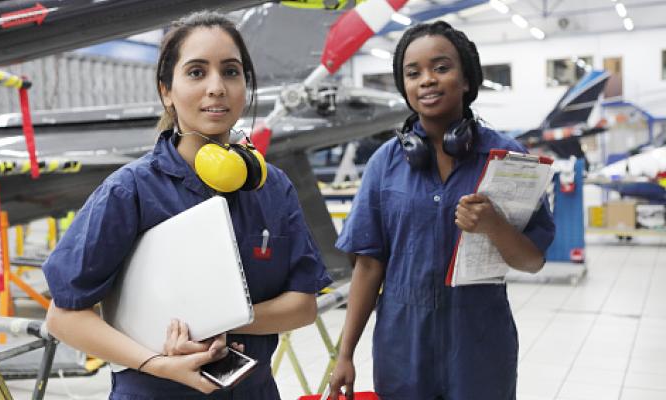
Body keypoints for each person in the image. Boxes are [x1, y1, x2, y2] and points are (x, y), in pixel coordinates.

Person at [42, 12, 332, 400]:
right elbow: (63, 316)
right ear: (167, 90)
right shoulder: (130, 191)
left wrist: (225, 323)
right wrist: (157, 362)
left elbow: (303, 306)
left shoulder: (271, 187)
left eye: (231, 72)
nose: (216, 87)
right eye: (196, 72)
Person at [328, 21, 555, 400]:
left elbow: (532, 261)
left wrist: (494, 225)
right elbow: (368, 266)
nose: (427, 80)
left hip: (480, 350)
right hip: (403, 350)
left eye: (441, 67)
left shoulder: (509, 160)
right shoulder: (385, 164)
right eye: (413, 73)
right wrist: (344, 354)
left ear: (466, 80)